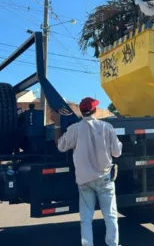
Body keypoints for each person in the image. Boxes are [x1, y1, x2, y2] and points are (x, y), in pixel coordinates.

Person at [54, 97, 122, 246]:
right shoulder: (107, 127)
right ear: (95, 110)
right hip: (104, 178)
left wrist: (57, 125)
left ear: (82, 112)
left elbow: (60, 146)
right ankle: (112, 244)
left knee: (86, 220)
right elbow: (117, 153)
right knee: (110, 216)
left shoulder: (75, 129)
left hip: (84, 181)